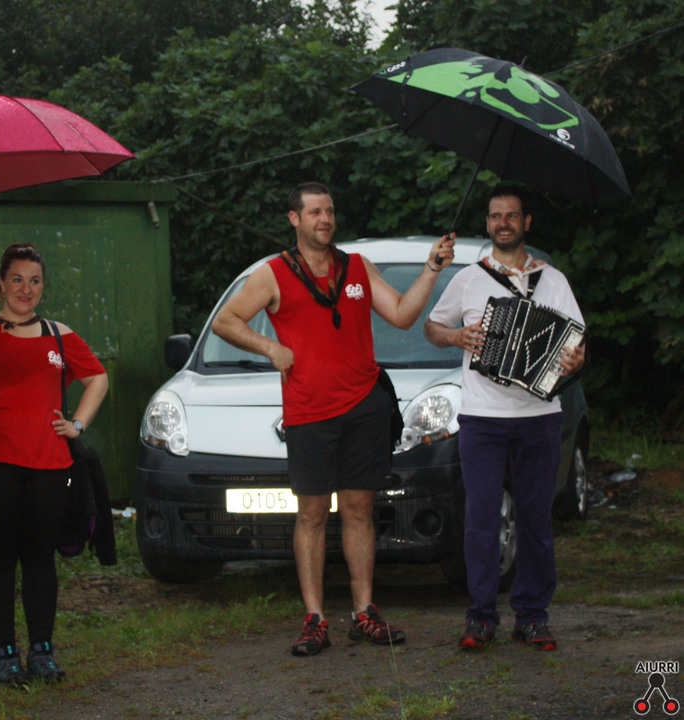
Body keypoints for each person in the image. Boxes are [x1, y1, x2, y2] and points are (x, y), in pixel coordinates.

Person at [212, 182, 455, 655]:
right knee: (312, 514)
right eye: (315, 212)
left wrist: (431, 269)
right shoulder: (273, 273)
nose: (325, 219)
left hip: (364, 407)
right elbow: (226, 320)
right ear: (294, 219)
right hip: (309, 412)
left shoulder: (357, 267)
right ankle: (315, 618)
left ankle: (364, 612)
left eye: (330, 211)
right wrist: (269, 347)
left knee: (360, 510)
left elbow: (402, 315)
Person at [424, 185, 586, 652]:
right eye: (496, 216)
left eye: (511, 216)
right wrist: (457, 337)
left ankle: (532, 617)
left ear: (526, 222)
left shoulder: (552, 279)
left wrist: (575, 360)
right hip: (482, 418)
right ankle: (480, 616)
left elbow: (576, 342)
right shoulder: (469, 279)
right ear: (488, 223)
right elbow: (432, 327)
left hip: (540, 416)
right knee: (480, 519)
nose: (503, 223)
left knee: (535, 519)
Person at [0, 243, 109, 685]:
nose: (26, 289)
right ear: (1, 284)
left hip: (49, 464)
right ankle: (5, 654)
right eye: (17, 279)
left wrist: (77, 424)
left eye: (35, 280)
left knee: (40, 558)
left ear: (43, 286)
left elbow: (98, 378)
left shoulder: (59, 336)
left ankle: (42, 650)